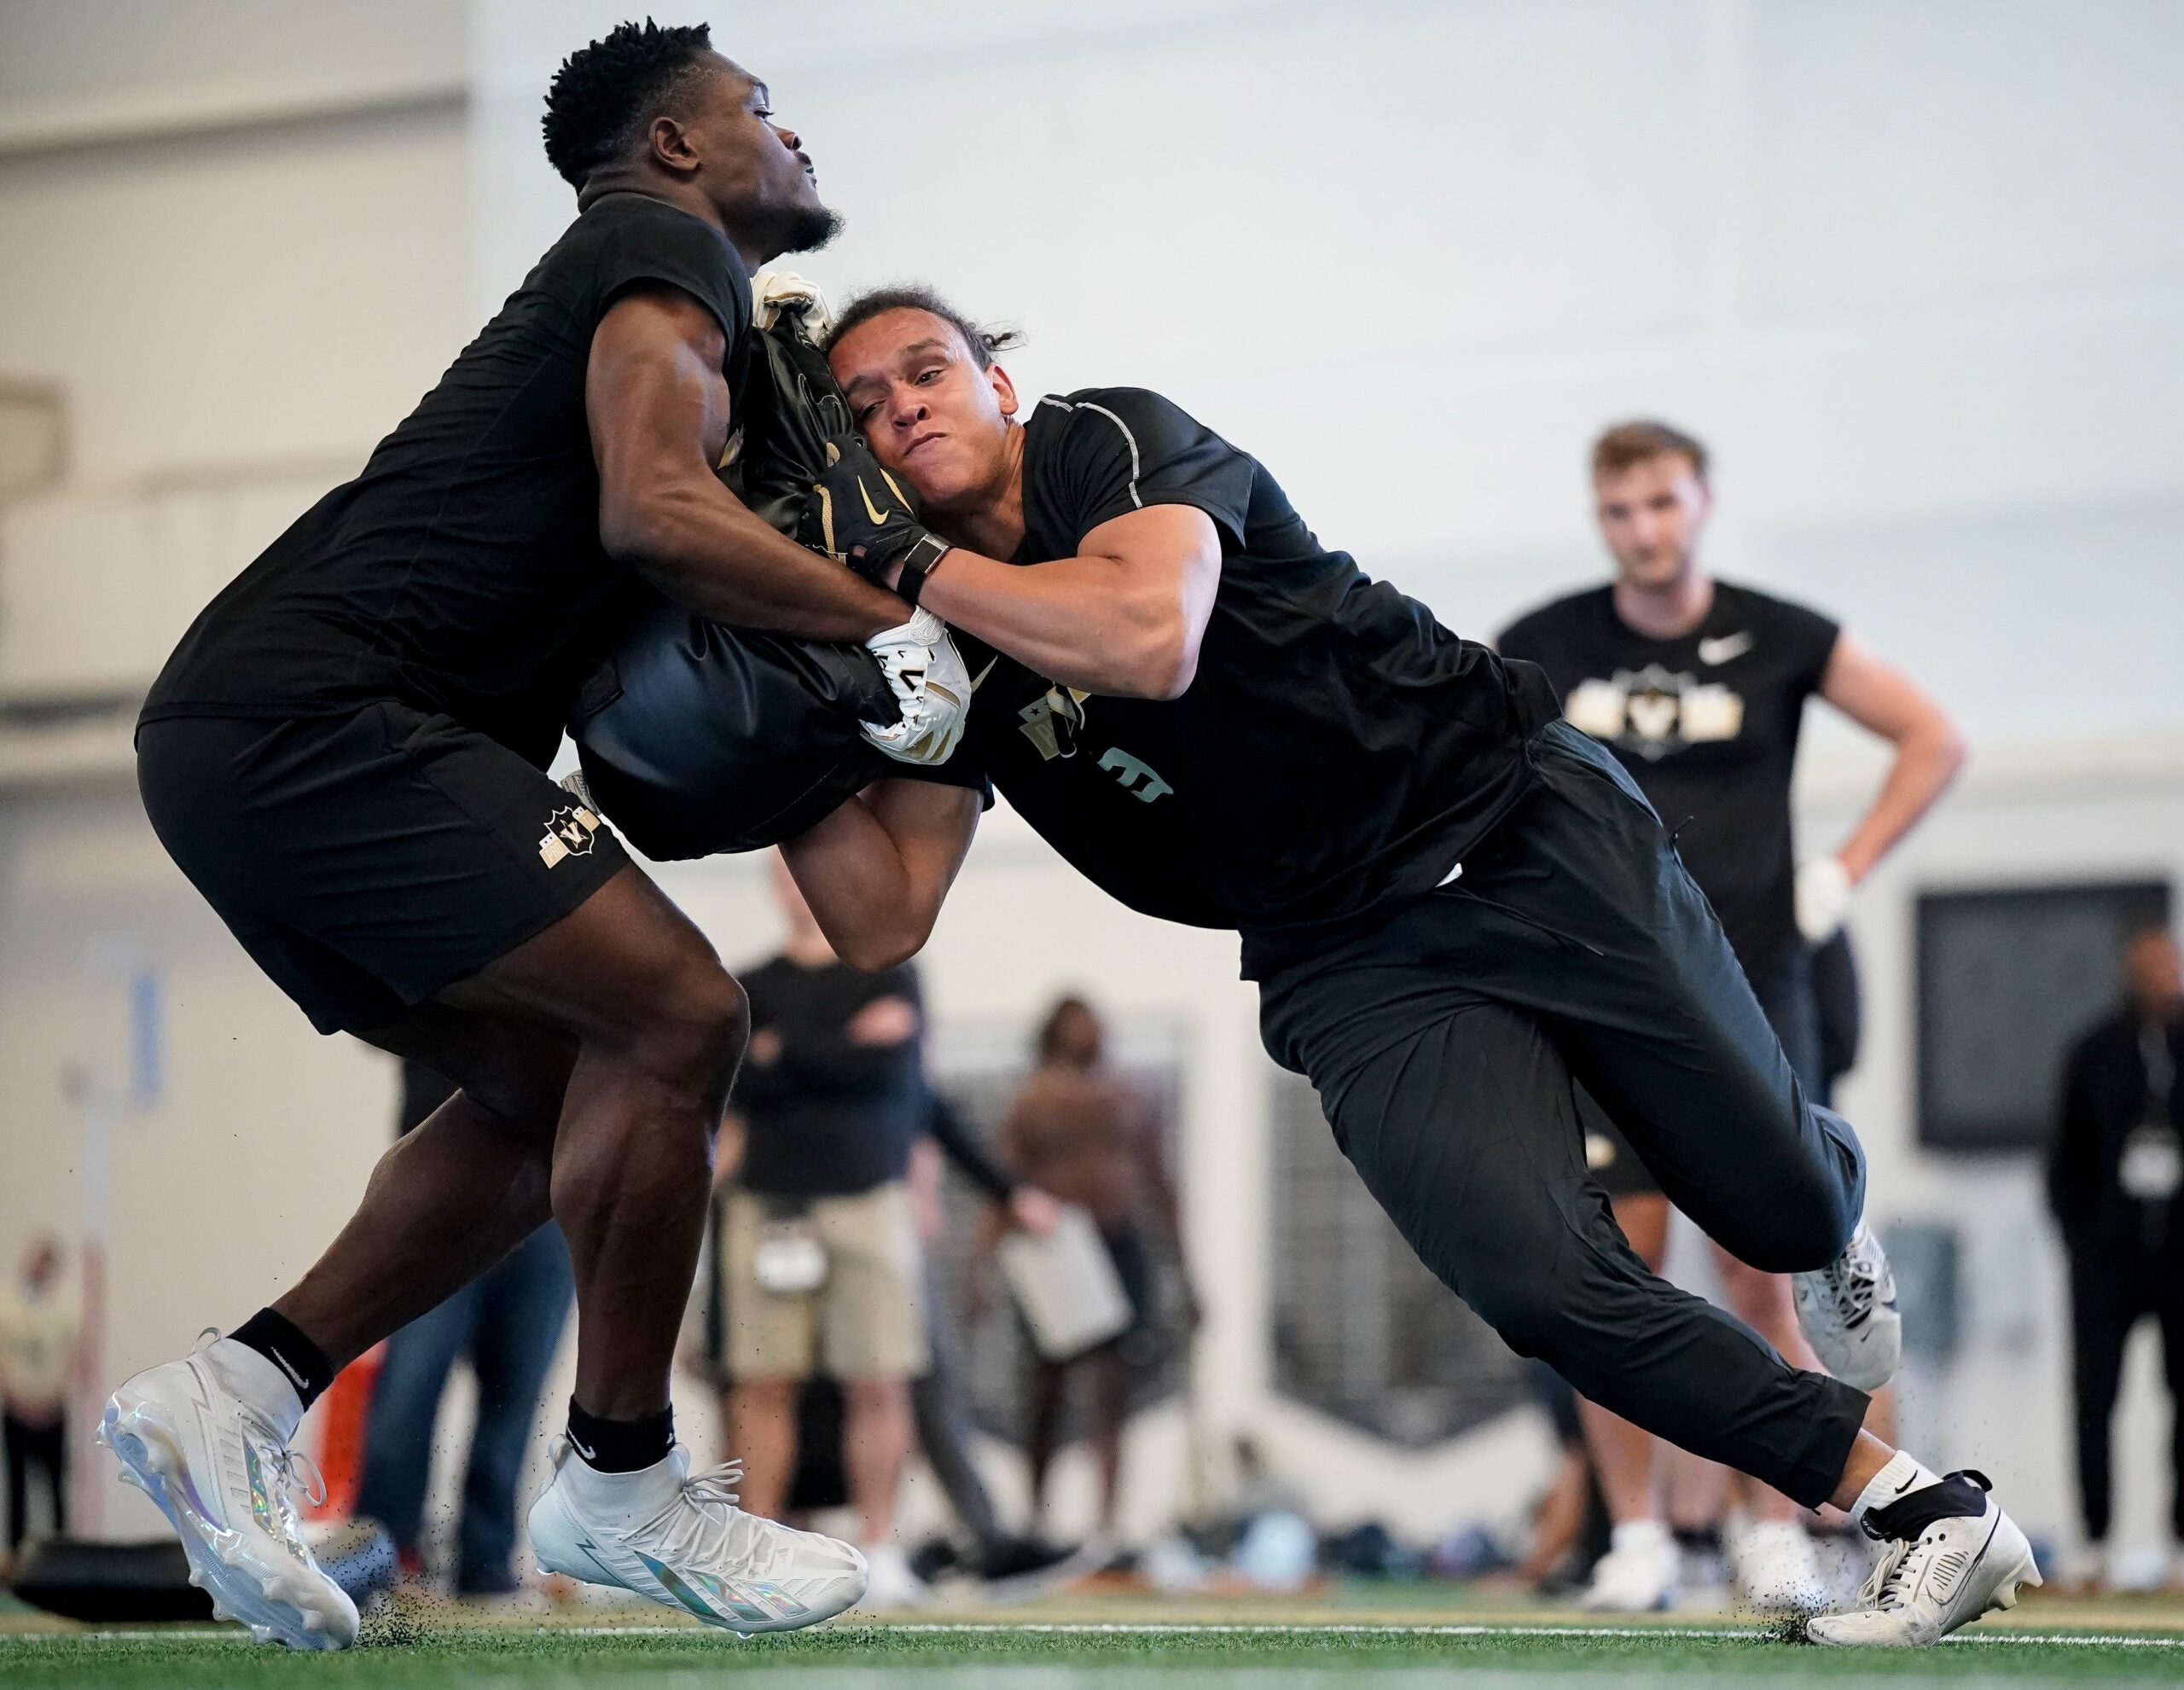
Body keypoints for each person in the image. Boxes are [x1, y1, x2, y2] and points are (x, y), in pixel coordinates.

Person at [768, 286, 2038, 1646]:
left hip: (1514, 824)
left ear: (1000, 389)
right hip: (1344, 951)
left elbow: (1149, 637)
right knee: (1541, 1285)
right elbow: (881, 917)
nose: (901, 405)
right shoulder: (935, 647)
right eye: (861, 405)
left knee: (1772, 1211)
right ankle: (1922, 1512)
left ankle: (1827, 1201)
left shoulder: (1102, 445)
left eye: (927, 372)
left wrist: (903, 570)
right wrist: (769, 724)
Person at [98, 22, 979, 1649]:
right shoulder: (661, 247)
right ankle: (621, 1480)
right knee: (687, 1009)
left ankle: (240, 1385)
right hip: (323, 717)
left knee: (570, 1086)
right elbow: (655, 504)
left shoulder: (684, 302)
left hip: (251, 740)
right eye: (760, 112)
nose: (794, 139)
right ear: (674, 149)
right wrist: (892, 616)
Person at [1496, 419, 1965, 1612]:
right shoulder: (1545, 643)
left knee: (1770, 1277)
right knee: (1609, 1272)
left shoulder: (1784, 632)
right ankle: (1639, 1536)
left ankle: (1775, 1532)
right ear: (1599, 520)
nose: (1644, 531)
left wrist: (1846, 868)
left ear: (1701, 503)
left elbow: (1934, 735)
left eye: (1662, 504)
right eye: (1621, 512)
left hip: (1755, 990)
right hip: (1603, 987)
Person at [717, 856, 1033, 1606]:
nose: (800, 880)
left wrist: (785, 1054)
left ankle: (880, 1547)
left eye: (809, 867)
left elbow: (895, 1077)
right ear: (775, 887)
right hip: (767, 1205)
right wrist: (839, 1052)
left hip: (868, 1198)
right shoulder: (750, 986)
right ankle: (760, 1549)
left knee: (880, 1381)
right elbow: (737, 1080)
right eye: (786, 870)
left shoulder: (891, 974)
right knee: (763, 1384)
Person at [351, 1064, 574, 1599]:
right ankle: (385, 1553)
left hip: (549, 1200)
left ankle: (487, 1559)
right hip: (437, 1196)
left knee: (516, 1395)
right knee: (411, 1381)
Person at [988, 996, 1190, 1544]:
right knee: (1046, 1388)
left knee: (1115, 1383)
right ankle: (1035, 1517)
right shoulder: (1032, 1102)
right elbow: (1003, 1185)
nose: (1092, 1033)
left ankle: (1107, 1522)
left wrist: (1187, 1275)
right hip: (1054, 1252)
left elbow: (1161, 1183)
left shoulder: (1129, 1097)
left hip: (1120, 1245)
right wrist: (981, 1273)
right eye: (1080, 1025)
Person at [2048, 922, 2184, 1591]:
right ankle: (2094, 1542)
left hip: (2180, 1260)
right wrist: (2084, 1239)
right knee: (2094, 1401)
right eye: (2154, 966)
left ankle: (2180, 1547)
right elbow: (2062, 1163)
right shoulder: (2093, 1052)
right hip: (2105, 1264)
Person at [1, 1238, 82, 1560]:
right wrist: (17, 1398)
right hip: (17, 1409)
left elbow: (73, 1355)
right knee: (16, 1488)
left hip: (52, 1410)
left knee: (55, 1487)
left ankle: (63, 1557)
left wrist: (52, 1397)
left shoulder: (67, 1305)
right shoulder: (7, 1301)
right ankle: (16, 1556)